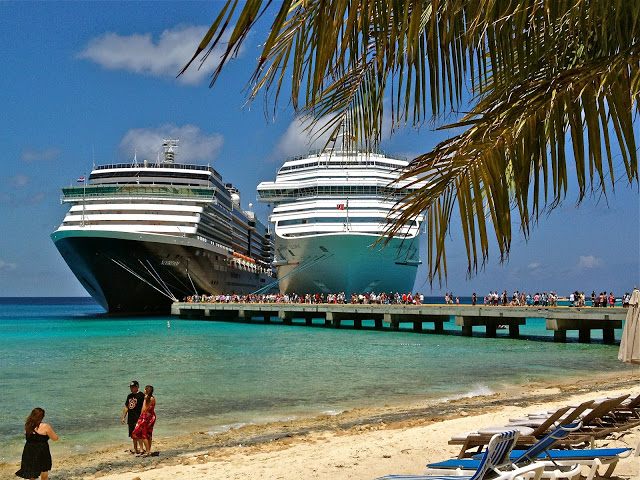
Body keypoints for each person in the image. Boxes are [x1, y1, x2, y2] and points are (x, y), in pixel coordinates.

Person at [15, 407, 59, 480]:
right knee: (44, 474)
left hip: (29, 452)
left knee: (32, 475)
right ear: (42, 416)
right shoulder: (45, 426)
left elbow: (27, 436)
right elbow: (55, 438)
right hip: (41, 452)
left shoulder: (28, 426)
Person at [132, 385, 156, 457]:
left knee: (143, 434)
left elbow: (144, 409)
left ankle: (148, 451)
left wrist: (144, 400)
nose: (143, 390)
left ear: (147, 391)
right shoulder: (153, 398)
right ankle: (148, 450)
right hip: (151, 417)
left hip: (146, 418)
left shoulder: (148, 399)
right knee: (148, 434)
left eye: (144, 389)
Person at [122, 381, 145, 454]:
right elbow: (126, 407)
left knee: (139, 434)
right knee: (133, 434)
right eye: (131, 387)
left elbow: (144, 406)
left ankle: (141, 449)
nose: (131, 388)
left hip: (138, 417)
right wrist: (123, 417)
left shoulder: (141, 395)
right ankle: (135, 448)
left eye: (133, 387)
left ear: (137, 387)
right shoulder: (129, 396)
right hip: (131, 417)